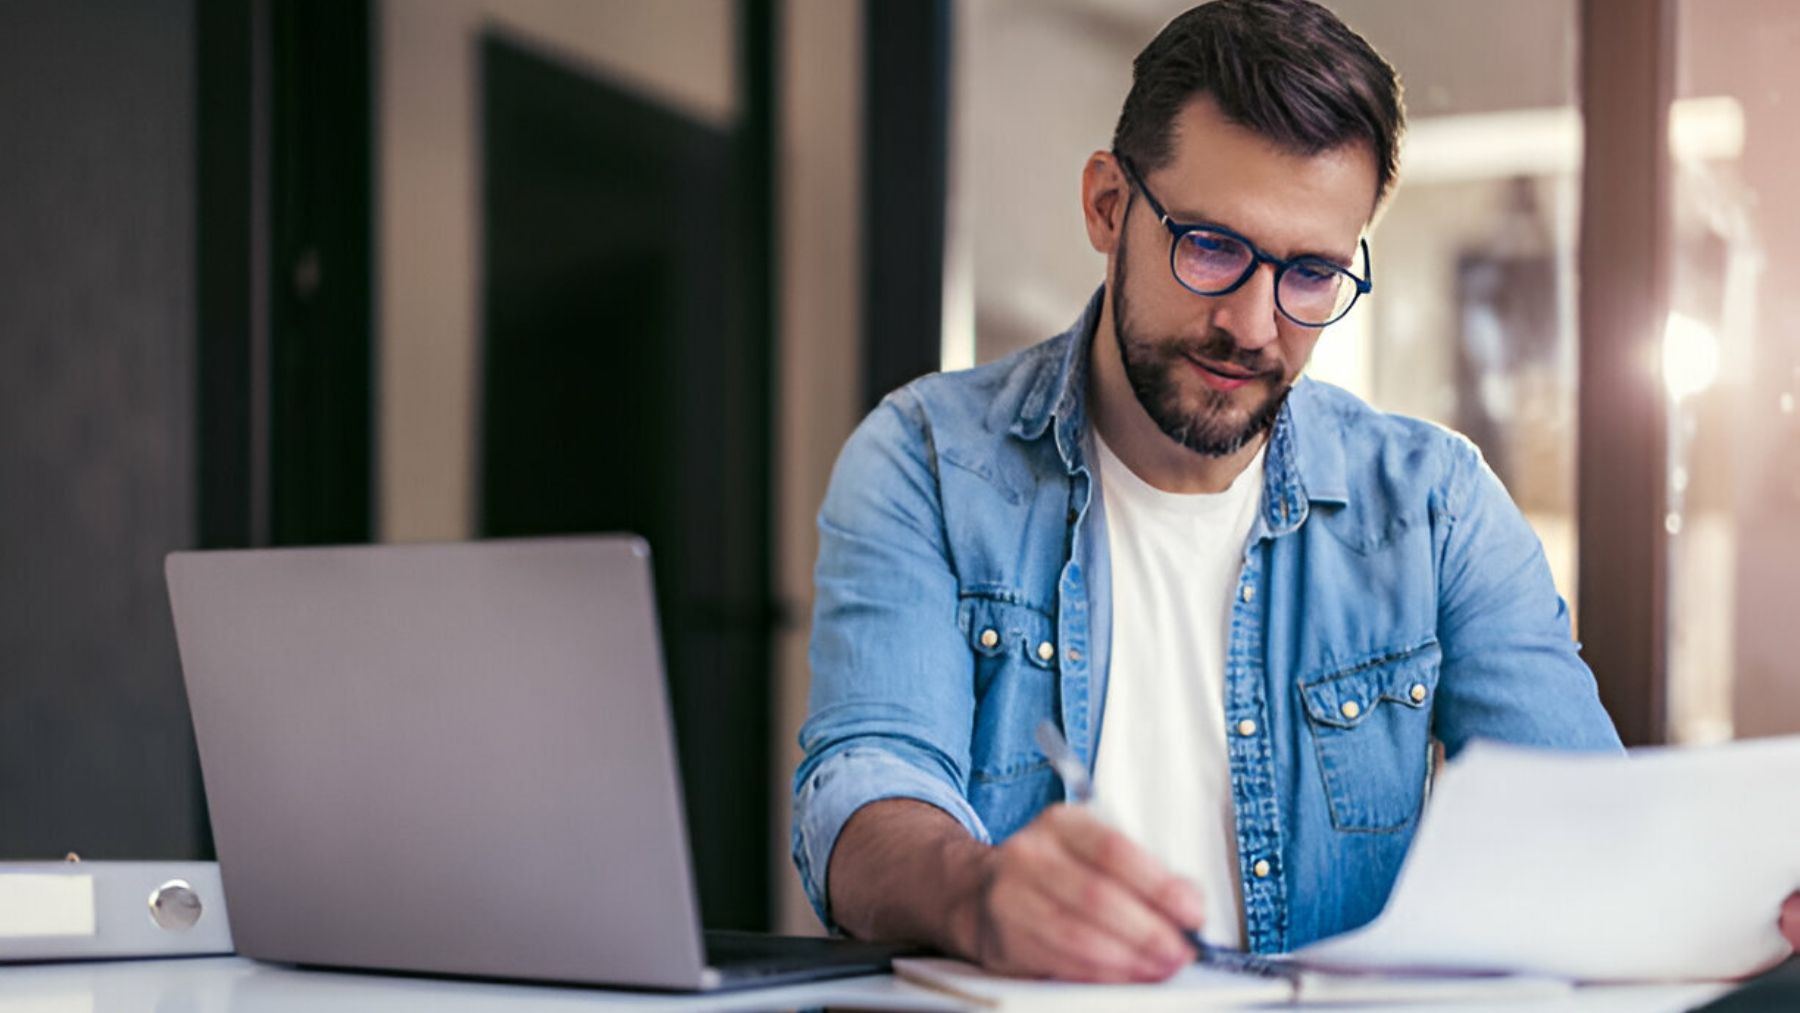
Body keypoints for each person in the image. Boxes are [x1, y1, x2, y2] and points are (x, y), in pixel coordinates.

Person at [791, 0, 1800, 983]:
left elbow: (1590, 832)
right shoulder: (926, 458)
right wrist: (975, 893)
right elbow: (866, 791)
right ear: (1108, 206)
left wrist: (1741, 896)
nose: (1255, 324)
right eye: (1215, 247)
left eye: (1312, 272)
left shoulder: (1435, 504)